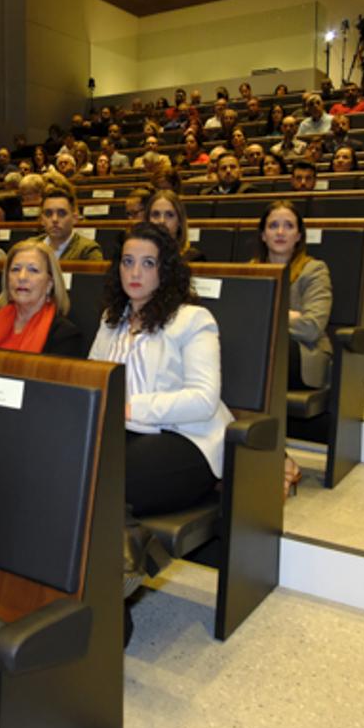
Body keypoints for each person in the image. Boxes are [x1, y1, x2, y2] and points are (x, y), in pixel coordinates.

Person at [89, 222, 234, 519]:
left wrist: (130, 408)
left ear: (164, 271)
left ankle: (130, 541)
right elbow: (92, 378)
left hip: (183, 434)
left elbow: (203, 399)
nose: (135, 273)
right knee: (68, 462)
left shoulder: (193, 319)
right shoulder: (111, 319)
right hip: (120, 429)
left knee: (113, 478)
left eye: (148, 263)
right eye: (127, 262)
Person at [254, 202, 332, 495]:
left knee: (255, 359)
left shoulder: (314, 270)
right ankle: (280, 460)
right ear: (263, 234)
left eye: (288, 226)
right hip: (263, 355)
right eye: (273, 225)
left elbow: (312, 327)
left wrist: (269, 313)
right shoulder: (251, 269)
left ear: (299, 235)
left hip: (304, 355)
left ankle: (271, 460)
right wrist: (289, 314)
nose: (280, 232)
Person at [0, 242, 83, 357]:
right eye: (15, 269)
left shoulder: (64, 335)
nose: (22, 277)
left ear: (49, 283)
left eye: (33, 270)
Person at [38, 187, 105, 261]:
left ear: (74, 218)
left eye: (61, 213)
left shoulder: (88, 250)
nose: (54, 219)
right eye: (48, 213)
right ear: (42, 219)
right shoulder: (30, 245)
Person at [147, 191, 205, 263]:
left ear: (179, 221)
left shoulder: (193, 258)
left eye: (169, 215)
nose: (161, 221)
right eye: (156, 214)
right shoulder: (139, 255)